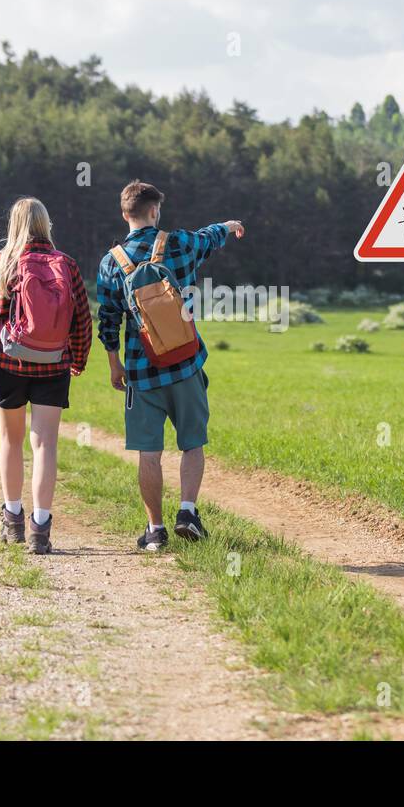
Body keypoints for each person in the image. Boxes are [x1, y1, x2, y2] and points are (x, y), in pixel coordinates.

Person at [95, 179, 244, 551]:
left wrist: (115, 365)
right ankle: (188, 512)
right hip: (186, 364)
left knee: (150, 452)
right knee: (192, 443)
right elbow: (208, 237)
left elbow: (108, 320)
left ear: (124, 213)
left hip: (142, 373)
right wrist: (227, 227)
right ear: (154, 211)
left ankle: (155, 531)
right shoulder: (177, 243)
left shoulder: (111, 263)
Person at [0, 197, 91, 554]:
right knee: (45, 444)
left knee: (11, 441)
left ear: (14, 225)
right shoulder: (66, 264)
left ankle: (13, 517)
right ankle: (41, 528)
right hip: (54, 365)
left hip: (10, 364)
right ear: (45, 224)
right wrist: (77, 360)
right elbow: (83, 319)